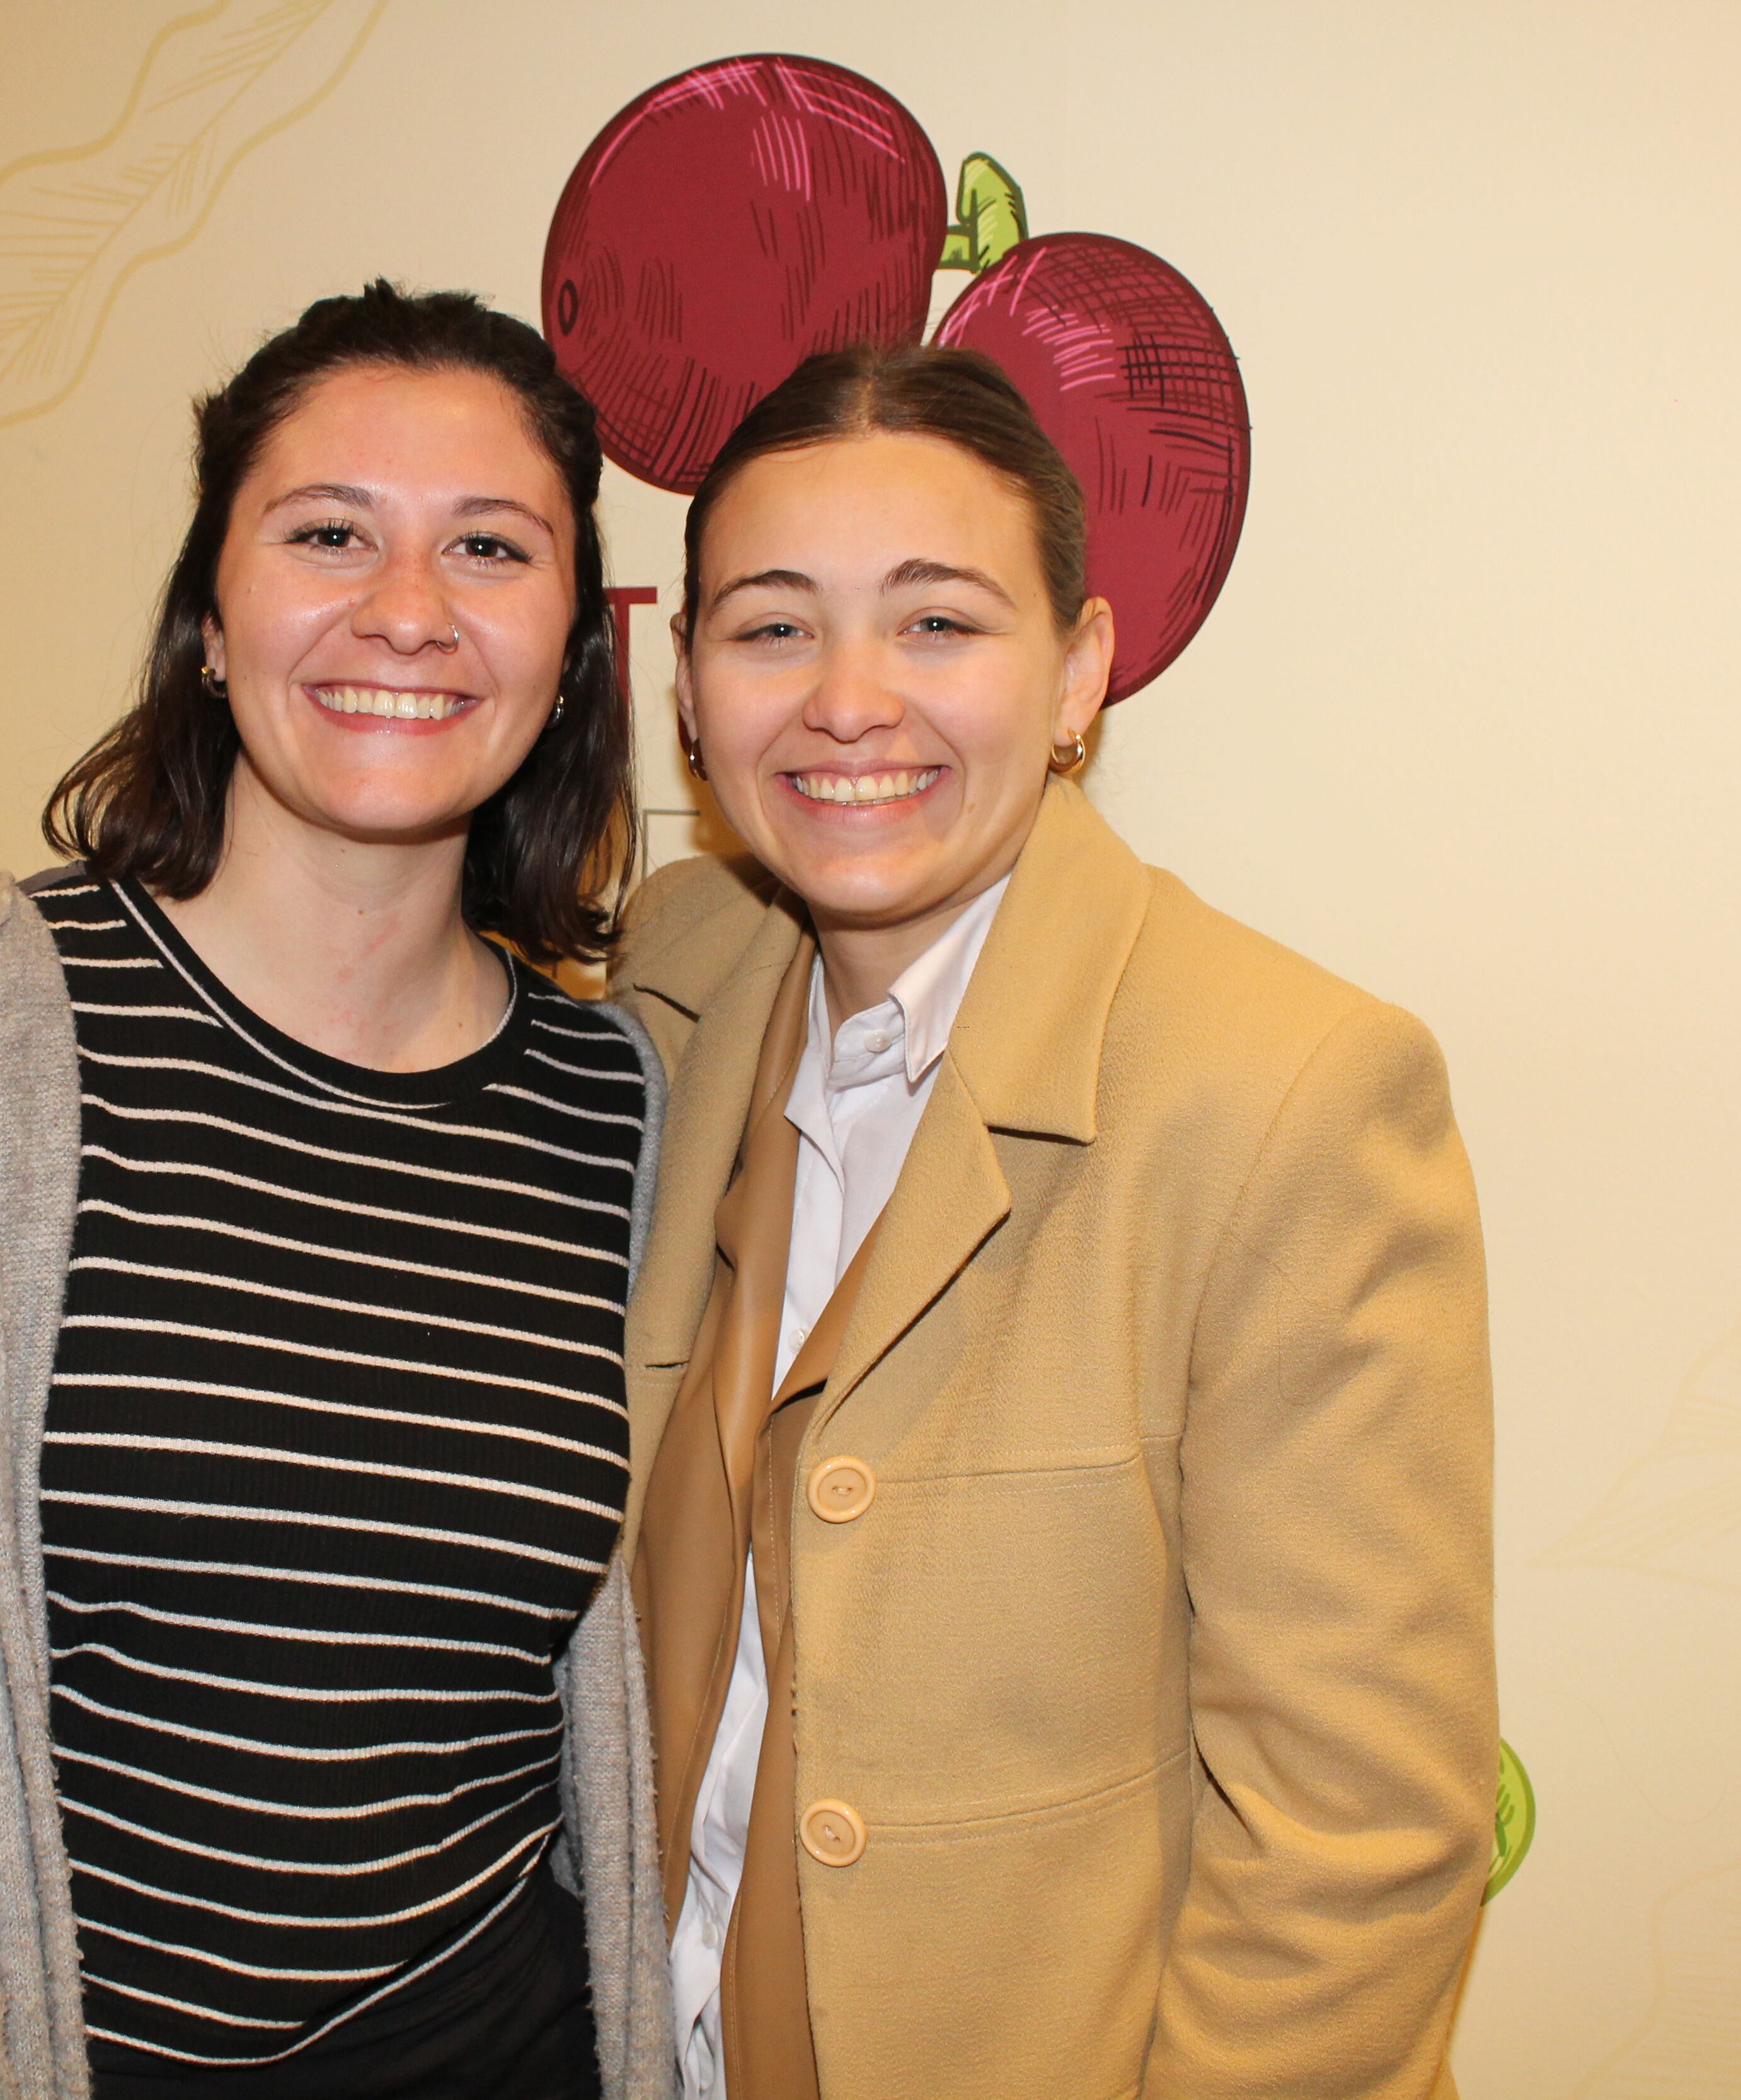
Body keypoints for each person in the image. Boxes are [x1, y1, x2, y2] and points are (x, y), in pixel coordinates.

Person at [0, 284, 676, 2100]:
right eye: (329, 531)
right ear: (210, 615)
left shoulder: (613, 1106)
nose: (408, 610)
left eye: (491, 548)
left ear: (574, 646)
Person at [611, 342, 1496, 2099]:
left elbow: (1357, 1840)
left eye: (939, 623)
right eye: (773, 626)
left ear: (1081, 673)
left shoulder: (1287, 1092)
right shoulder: (678, 972)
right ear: (690, 691)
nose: (849, 699)